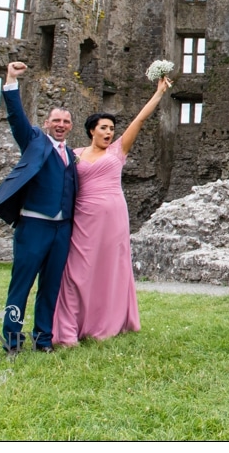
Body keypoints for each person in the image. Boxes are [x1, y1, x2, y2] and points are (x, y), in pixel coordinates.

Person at [53, 75, 173, 346]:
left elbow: (139, 121)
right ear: (91, 130)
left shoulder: (118, 151)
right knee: (76, 270)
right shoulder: (74, 154)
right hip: (84, 217)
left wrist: (158, 94)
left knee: (110, 269)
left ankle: (106, 323)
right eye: (103, 128)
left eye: (111, 128)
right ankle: (69, 328)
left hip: (114, 218)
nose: (109, 132)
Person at [0, 61, 78, 353]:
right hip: (34, 225)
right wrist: (11, 80)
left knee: (50, 287)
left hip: (62, 228)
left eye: (66, 122)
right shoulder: (35, 141)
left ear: (70, 126)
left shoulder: (73, 156)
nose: (61, 125)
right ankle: (12, 340)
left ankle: (43, 339)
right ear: (47, 123)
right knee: (21, 285)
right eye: (56, 121)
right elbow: (16, 118)